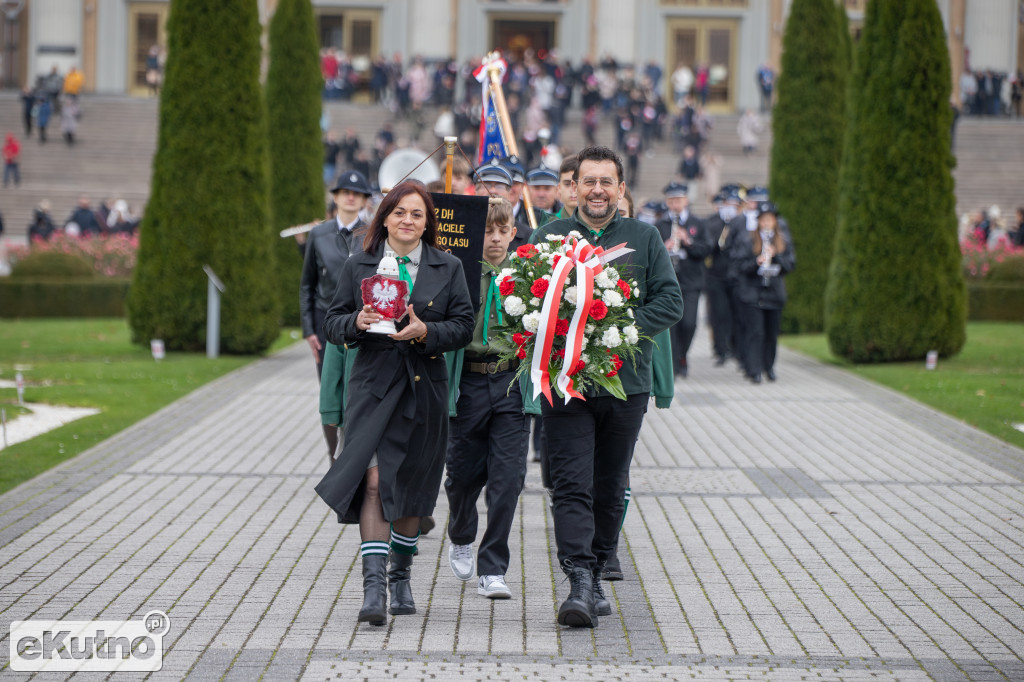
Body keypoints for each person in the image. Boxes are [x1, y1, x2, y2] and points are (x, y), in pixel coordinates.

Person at [529, 146, 683, 628]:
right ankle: (578, 579)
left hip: (625, 383)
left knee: (610, 485)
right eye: (589, 181)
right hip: (566, 383)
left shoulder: (644, 237)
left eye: (606, 182)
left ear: (620, 188)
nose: (597, 190)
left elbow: (671, 301)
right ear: (574, 187)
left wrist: (617, 327)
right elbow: (522, 297)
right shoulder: (548, 237)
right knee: (570, 483)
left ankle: (596, 569)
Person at [315, 181, 475, 626]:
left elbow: (464, 325)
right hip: (373, 388)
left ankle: (400, 574)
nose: (407, 220)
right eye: (399, 212)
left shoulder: (449, 266)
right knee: (373, 481)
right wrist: (357, 321)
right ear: (384, 218)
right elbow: (332, 322)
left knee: (412, 488)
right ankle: (374, 589)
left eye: (417, 214)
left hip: (423, 387)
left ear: (427, 224)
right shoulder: (359, 264)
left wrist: (427, 332)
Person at [444, 198, 530, 599]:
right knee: (462, 475)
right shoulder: (458, 272)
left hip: (510, 381)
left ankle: (493, 567)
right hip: (470, 381)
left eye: (502, 230)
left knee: (508, 479)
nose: (495, 239)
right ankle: (461, 532)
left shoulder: (527, 275)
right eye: (487, 231)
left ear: (513, 233)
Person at [300, 170, 373, 463]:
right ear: (336, 197)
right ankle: (334, 458)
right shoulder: (319, 234)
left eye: (357, 193)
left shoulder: (372, 234)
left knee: (357, 387)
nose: (350, 197)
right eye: (345, 192)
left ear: (365, 200)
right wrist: (308, 329)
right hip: (326, 320)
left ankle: (355, 454)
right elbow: (307, 283)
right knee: (329, 391)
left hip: (361, 318)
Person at [732, 202, 795, 383]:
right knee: (755, 332)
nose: (766, 223)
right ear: (758, 221)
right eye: (763, 220)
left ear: (775, 222)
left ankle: (769, 366)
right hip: (753, 294)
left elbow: (790, 265)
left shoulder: (782, 241)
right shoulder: (748, 240)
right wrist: (756, 262)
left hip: (774, 294)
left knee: (771, 333)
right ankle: (754, 369)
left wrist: (776, 256)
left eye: (770, 220)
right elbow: (739, 266)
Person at [656, 182, 712, 378]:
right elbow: (652, 253)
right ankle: (672, 363)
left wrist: (688, 241)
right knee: (670, 325)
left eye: (678, 200)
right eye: (671, 200)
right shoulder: (660, 225)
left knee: (689, 323)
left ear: (686, 200)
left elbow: (706, 249)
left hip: (691, 281)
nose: (675, 204)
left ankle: (682, 355)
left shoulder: (698, 223)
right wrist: (664, 247)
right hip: (668, 282)